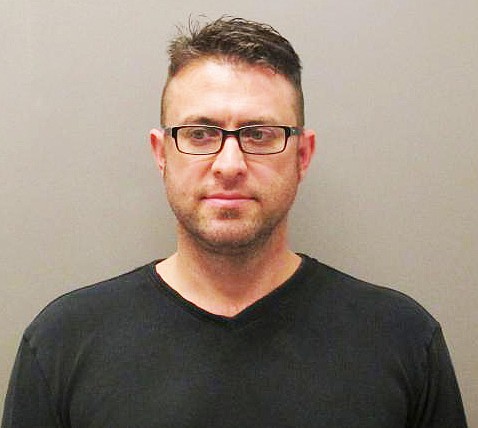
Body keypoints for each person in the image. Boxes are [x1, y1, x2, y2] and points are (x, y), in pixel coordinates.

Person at [2, 17, 467, 428]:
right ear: (161, 154)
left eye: (259, 134)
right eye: (200, 134)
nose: (229, 164)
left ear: (303, 155)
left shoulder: (403, 341)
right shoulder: (63, 343)